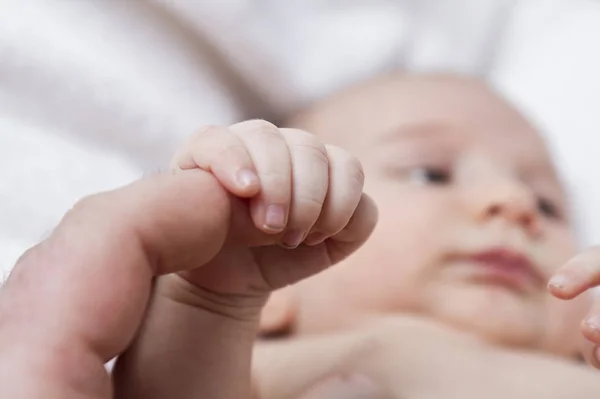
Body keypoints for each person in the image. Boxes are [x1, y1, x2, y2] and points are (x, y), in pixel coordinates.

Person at [0, 121, 377, 397]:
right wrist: (217, 291)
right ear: (276, 302)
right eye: (428, 175)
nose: (441, 207)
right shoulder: (318, 359)